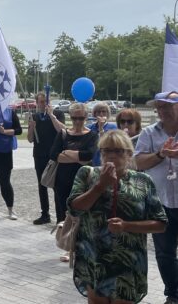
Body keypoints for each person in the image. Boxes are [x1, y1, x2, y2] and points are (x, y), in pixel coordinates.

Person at [68, 130, 167, 303]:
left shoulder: (143, 181)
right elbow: (74, 209)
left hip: (128, 262)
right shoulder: (86, 174)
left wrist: (126, 226)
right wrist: (100, 186)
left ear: (129, 154)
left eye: (118, 151)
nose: (111, 155)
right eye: (106, 150)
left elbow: (160, 224)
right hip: (94, 259)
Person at [135, 91, 178, 304]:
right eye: (159, 107)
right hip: (160, 203)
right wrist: (161, 154)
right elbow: (139, 163)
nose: (163, 111)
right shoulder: (149, 133)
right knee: (164, 254)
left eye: (168, 106)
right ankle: (173, 293)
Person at [50, 103, 99, 226]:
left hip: (84, 182)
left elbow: (88, 155)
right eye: (74, 118)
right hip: (62, 181)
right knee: (63, 218)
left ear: (86, 117)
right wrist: (78, 157)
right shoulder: (63, 134)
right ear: (70, 117)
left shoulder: (92, 135)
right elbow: (54, 155)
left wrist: (66, 152)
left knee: (82, 217)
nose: (77, 121)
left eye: (81, 118)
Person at [27, 92, 66, 225]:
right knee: (42, 185)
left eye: (46, 101)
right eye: (41, 102)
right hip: (39, 155)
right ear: (37, 103)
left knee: (56, 186)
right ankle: (45, 214)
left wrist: (52, 115)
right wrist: (31, 128)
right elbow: (30, 139)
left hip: (54, 155)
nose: (44, 104)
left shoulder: (58, 114)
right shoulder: (34, 117)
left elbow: (62, 131)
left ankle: (60, 217)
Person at [89, 102, 119, 167]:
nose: (101, 114)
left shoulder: (114, 127)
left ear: (107, 114)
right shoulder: (89, 127)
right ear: (95, 114)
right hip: (92, 162)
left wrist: (101, 128)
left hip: (108, 162)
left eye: (104, 112)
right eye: (98, 112)